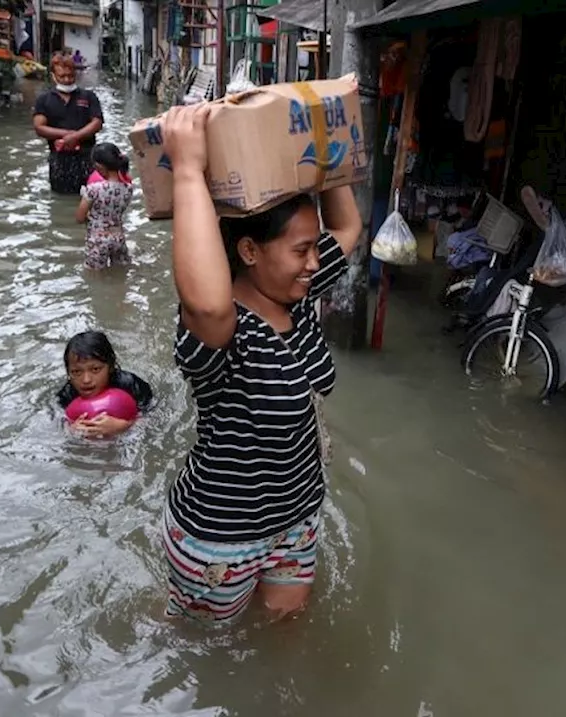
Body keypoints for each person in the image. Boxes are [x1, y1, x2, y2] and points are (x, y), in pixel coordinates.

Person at [159, 102, 364, 624]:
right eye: (300, 250)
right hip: (220, 540)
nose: (315, 262)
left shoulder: (298, 292)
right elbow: (205, 301)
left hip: (296, 523)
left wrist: (320, 135)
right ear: (249, 251)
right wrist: (187, 170)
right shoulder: (222, 329)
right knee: (206, 653)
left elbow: (348, 228)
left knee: (282, 634)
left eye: (313, 249)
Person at [57, 330, 154, 439]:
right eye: (76, 372)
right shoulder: (67, 394)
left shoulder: (130, 385)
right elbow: (60, 423)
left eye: (95, 369)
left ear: (111, 366)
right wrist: (71, 430)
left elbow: (153, 417)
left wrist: (125, 426)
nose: (86, 380)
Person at [32, 53, 103, 195]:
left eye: (70, 76)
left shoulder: (88, 96)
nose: (67, 80)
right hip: (58, 159)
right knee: (59, 197)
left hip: (86, 157)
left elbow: (97, 122)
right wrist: (65, 135)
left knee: (89, 195)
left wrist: (76, 136)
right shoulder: (44, 99)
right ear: (53, 76)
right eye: (62, 76)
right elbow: (39, 127)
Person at [76, 143, 133, 270]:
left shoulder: (93, 189)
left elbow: (79, 217)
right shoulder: (128, 189)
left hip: (98, 239)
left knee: (94, 278)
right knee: (120, 273)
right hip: (119, 237)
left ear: (99, 166)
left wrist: (89, 216)